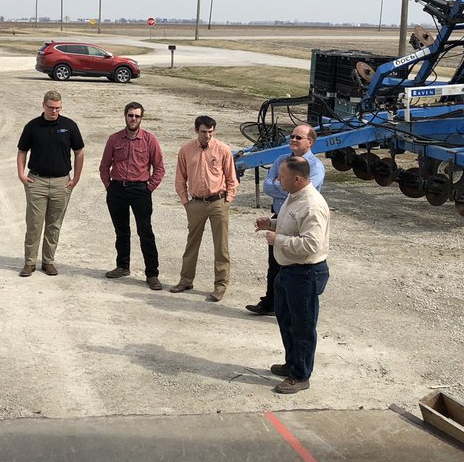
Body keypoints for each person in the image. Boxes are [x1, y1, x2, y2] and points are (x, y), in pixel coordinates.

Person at [258, 156, 331, 394]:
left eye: (282, 177)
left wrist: (278, 239)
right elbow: (291, 222)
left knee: (303, 327)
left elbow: (311, 244)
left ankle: (300, 376)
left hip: (305, 274)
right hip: (288, 271)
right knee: (287, 321)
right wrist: (271, 223)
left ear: (297, 179)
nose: (278, 181)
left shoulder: (312, 206)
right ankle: (292, 363)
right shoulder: (294, 195)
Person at [247, 124, 325, 317]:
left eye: (299, 137)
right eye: (292, 136)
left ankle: (292, 308)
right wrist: (285, 187)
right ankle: (271, 303)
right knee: (275, 263)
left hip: (300, 221)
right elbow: (267, 186)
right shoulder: (281, 160)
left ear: (310, 142)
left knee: (294, 265)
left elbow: (302, 190)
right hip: (279, 216)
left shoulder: (315, 167)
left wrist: (280, 185)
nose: (293, 140)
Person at [16, 90, 85, 277]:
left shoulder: (69, 126)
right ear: (43, 105)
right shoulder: (32, 126)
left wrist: (76, 178)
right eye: (51, 107)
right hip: (36, 181)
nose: (55, 111)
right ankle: (29, 262)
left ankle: (48, 261)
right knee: (34, 224)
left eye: (58, 108)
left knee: (54, 225)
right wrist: (21, 174)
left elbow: (79, 151)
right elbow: (22, 151)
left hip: (61, 182)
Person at [170, 115, 238, 302]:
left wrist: (228, 200)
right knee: (192, 243)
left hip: (218, 202)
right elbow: (180, 179)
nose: (207, 136)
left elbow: (232, 179)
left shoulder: (223, 149)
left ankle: (220, 285)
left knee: (221, 246)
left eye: (210, 132)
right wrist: (186, 202)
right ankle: (185, 280)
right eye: (203, 132)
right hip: (196, 203)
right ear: (196, 130)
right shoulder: (186, 151)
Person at [99, 101, 166, 290]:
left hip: (140, 191)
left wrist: (149, 188)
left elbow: (159, 168)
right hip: (117, 190)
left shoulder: (150, 140)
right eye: (130, 115)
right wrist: (109, 187)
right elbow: (104, 166)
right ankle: (122, 266)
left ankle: (152, 274)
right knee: (121, 231)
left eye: (137, 116)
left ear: (141, 118)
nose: (133, 119)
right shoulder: (114, 139)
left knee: (145, 232)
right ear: (125, 116)